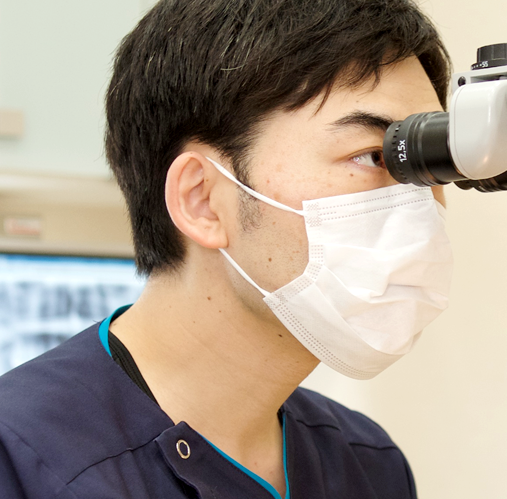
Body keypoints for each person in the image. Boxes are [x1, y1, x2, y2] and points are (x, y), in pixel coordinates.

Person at [0, 0, 455, 497]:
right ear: (202, 199)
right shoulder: (21, 462)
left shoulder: (369, 463)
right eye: (371, 155)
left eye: (427, 165)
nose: (419, 205)